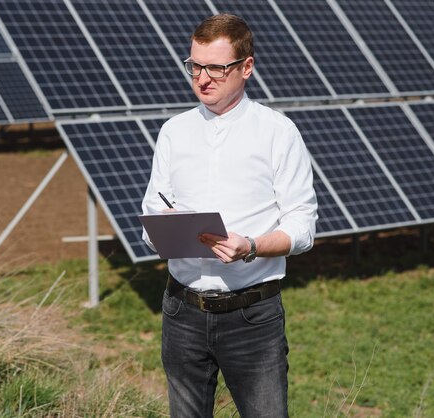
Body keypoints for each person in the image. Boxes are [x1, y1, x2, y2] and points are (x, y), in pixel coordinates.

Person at [141, 14, 318, 418]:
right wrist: (164, 231)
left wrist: (252, 246)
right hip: (181, 311)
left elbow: (302, 226)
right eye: (195, 66)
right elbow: (153, 208)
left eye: (217, 68)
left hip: (252, 317)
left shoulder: (278, 132)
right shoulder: (173, 132)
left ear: (246, 68)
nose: (203, 78)